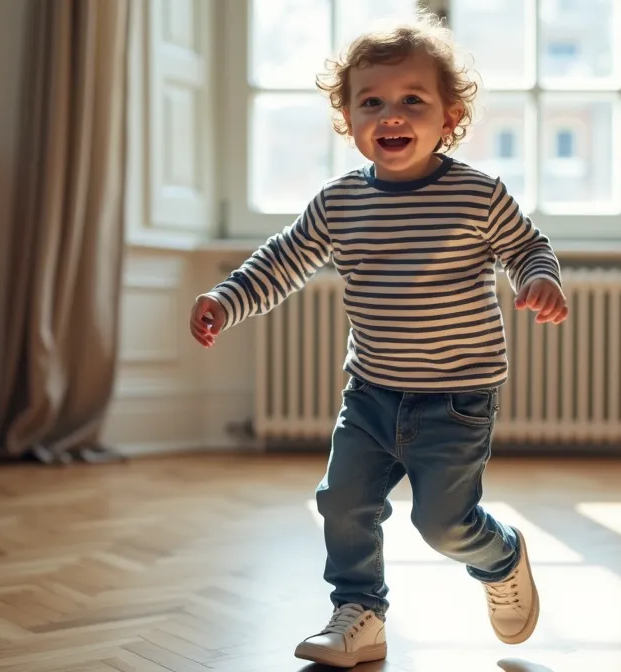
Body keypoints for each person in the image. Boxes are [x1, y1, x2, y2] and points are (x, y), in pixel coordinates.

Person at [188, 10, 568, 669]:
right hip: (370, 393)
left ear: (449, 118)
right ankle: (359, 611)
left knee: (443, 524)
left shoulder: (478, 195)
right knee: (342, 503)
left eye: (412, 101)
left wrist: (540, 280)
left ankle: (501, 556)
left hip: (455, 397)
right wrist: (226, 300)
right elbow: (280, 262)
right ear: (349, 119)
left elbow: (527, 248)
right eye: (372, 102)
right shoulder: (339, 203)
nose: (391, 115)